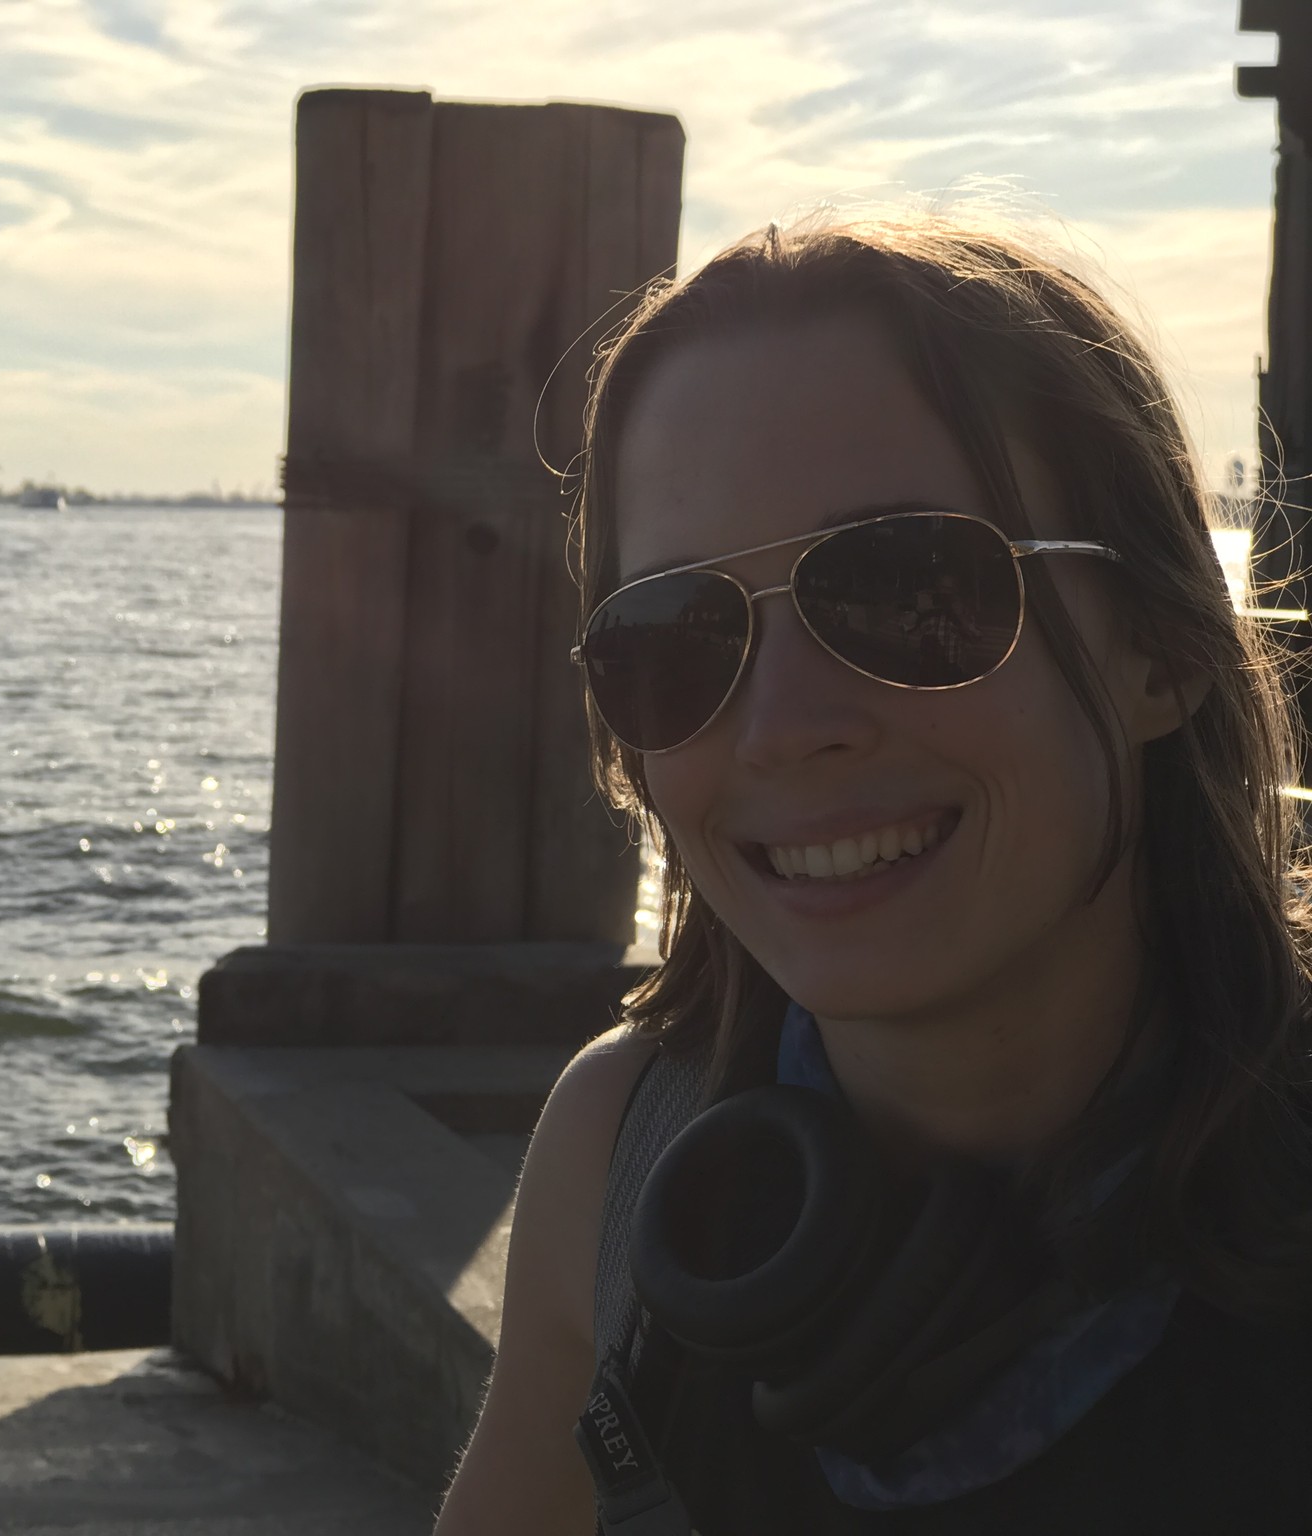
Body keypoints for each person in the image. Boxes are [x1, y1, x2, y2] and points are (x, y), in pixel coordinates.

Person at [433, 214, 1312, 1533]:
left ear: (1162, 648)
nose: (783, 728)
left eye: (910, 590)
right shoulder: (623, 1156)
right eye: (676, 637)